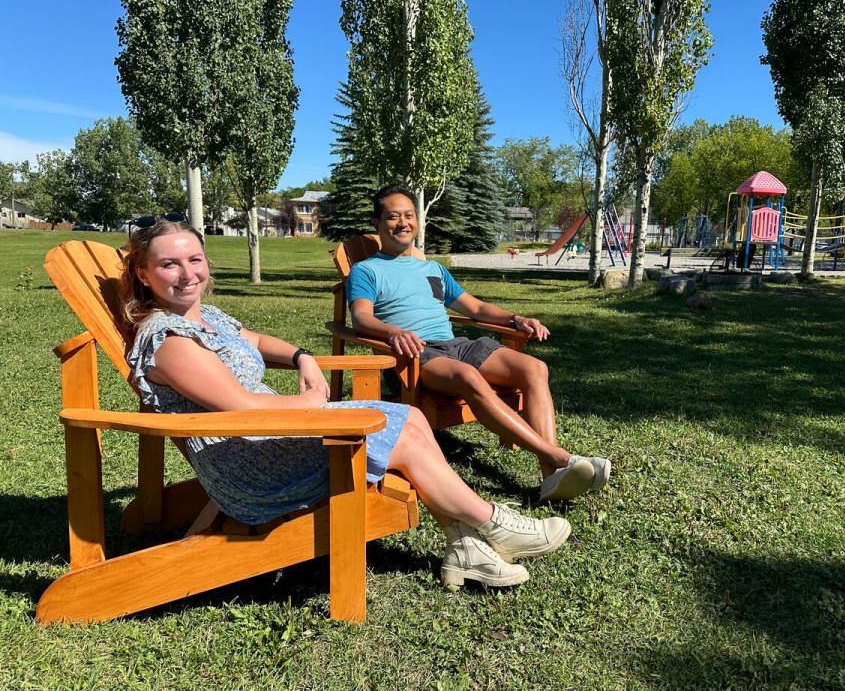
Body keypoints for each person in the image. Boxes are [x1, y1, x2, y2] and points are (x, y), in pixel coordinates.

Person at [120, 219, 572, 588]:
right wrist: (312, 401)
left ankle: (466, 547)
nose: (187, 273)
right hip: (258, 463)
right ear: (144, 274)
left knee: (409, 417)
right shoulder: (169, 340)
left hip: (276, 435)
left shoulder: (202, 316)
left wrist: (302, 357)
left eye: (194, 259)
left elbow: (253, 339)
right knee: (402, 434)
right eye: (169, 265)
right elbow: (240, 407)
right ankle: (494, 523)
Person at [346, 185, 612, 502]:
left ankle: (550, 476)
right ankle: (561, 458)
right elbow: (361, 318)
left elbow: (475, 309)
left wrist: (516, 319)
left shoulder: (433, 269)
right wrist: (393, 333)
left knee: (535, 369)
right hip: (416, 354)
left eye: (409, 215)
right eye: (393, 216)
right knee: (469, 377)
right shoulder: (366, 270)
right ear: (377, 223)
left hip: (457, 345)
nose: (403, 223)